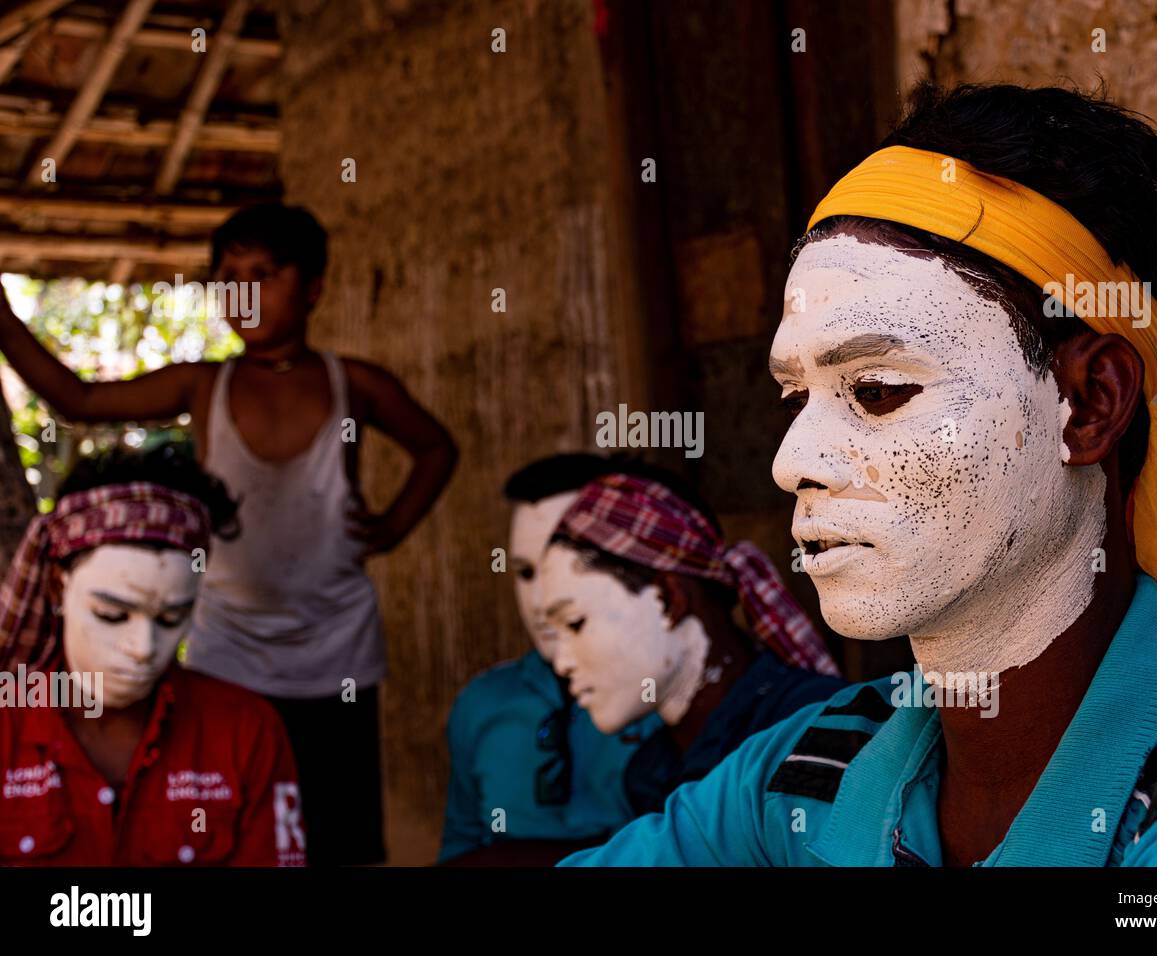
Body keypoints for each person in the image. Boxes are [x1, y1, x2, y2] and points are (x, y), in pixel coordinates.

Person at [561, 82, 1157, 867]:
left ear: (1087, 405)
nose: (792, 463)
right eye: (794, 396)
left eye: (876, 391)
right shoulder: (806, 777)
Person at [0, 203, 457, 865]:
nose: (242, 291)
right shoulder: (203, 384)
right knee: (229, 802)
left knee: (338, 838)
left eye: (264, 274)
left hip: (336, 651)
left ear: (314, 290)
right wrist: (7, 323)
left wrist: (390, 526)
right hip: (229, 648)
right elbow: (81, 402)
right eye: (228, 276)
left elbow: (437, 448)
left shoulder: (353, 384)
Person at [0, 444, 305, 866]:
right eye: (112, 614)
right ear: (57, 587)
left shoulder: (247, 732)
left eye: (170, 618)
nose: (142, 649)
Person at [540, 470, 846, 817]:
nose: (562, 662)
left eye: (575, 623)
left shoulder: (807, 726)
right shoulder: (648, 773)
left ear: (668, 598)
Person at [439, 454, 661, 865]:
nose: (540, 602)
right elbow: (461, 849)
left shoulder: (663, 699)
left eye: (564, 568)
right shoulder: (482, 704)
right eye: (525, 572)